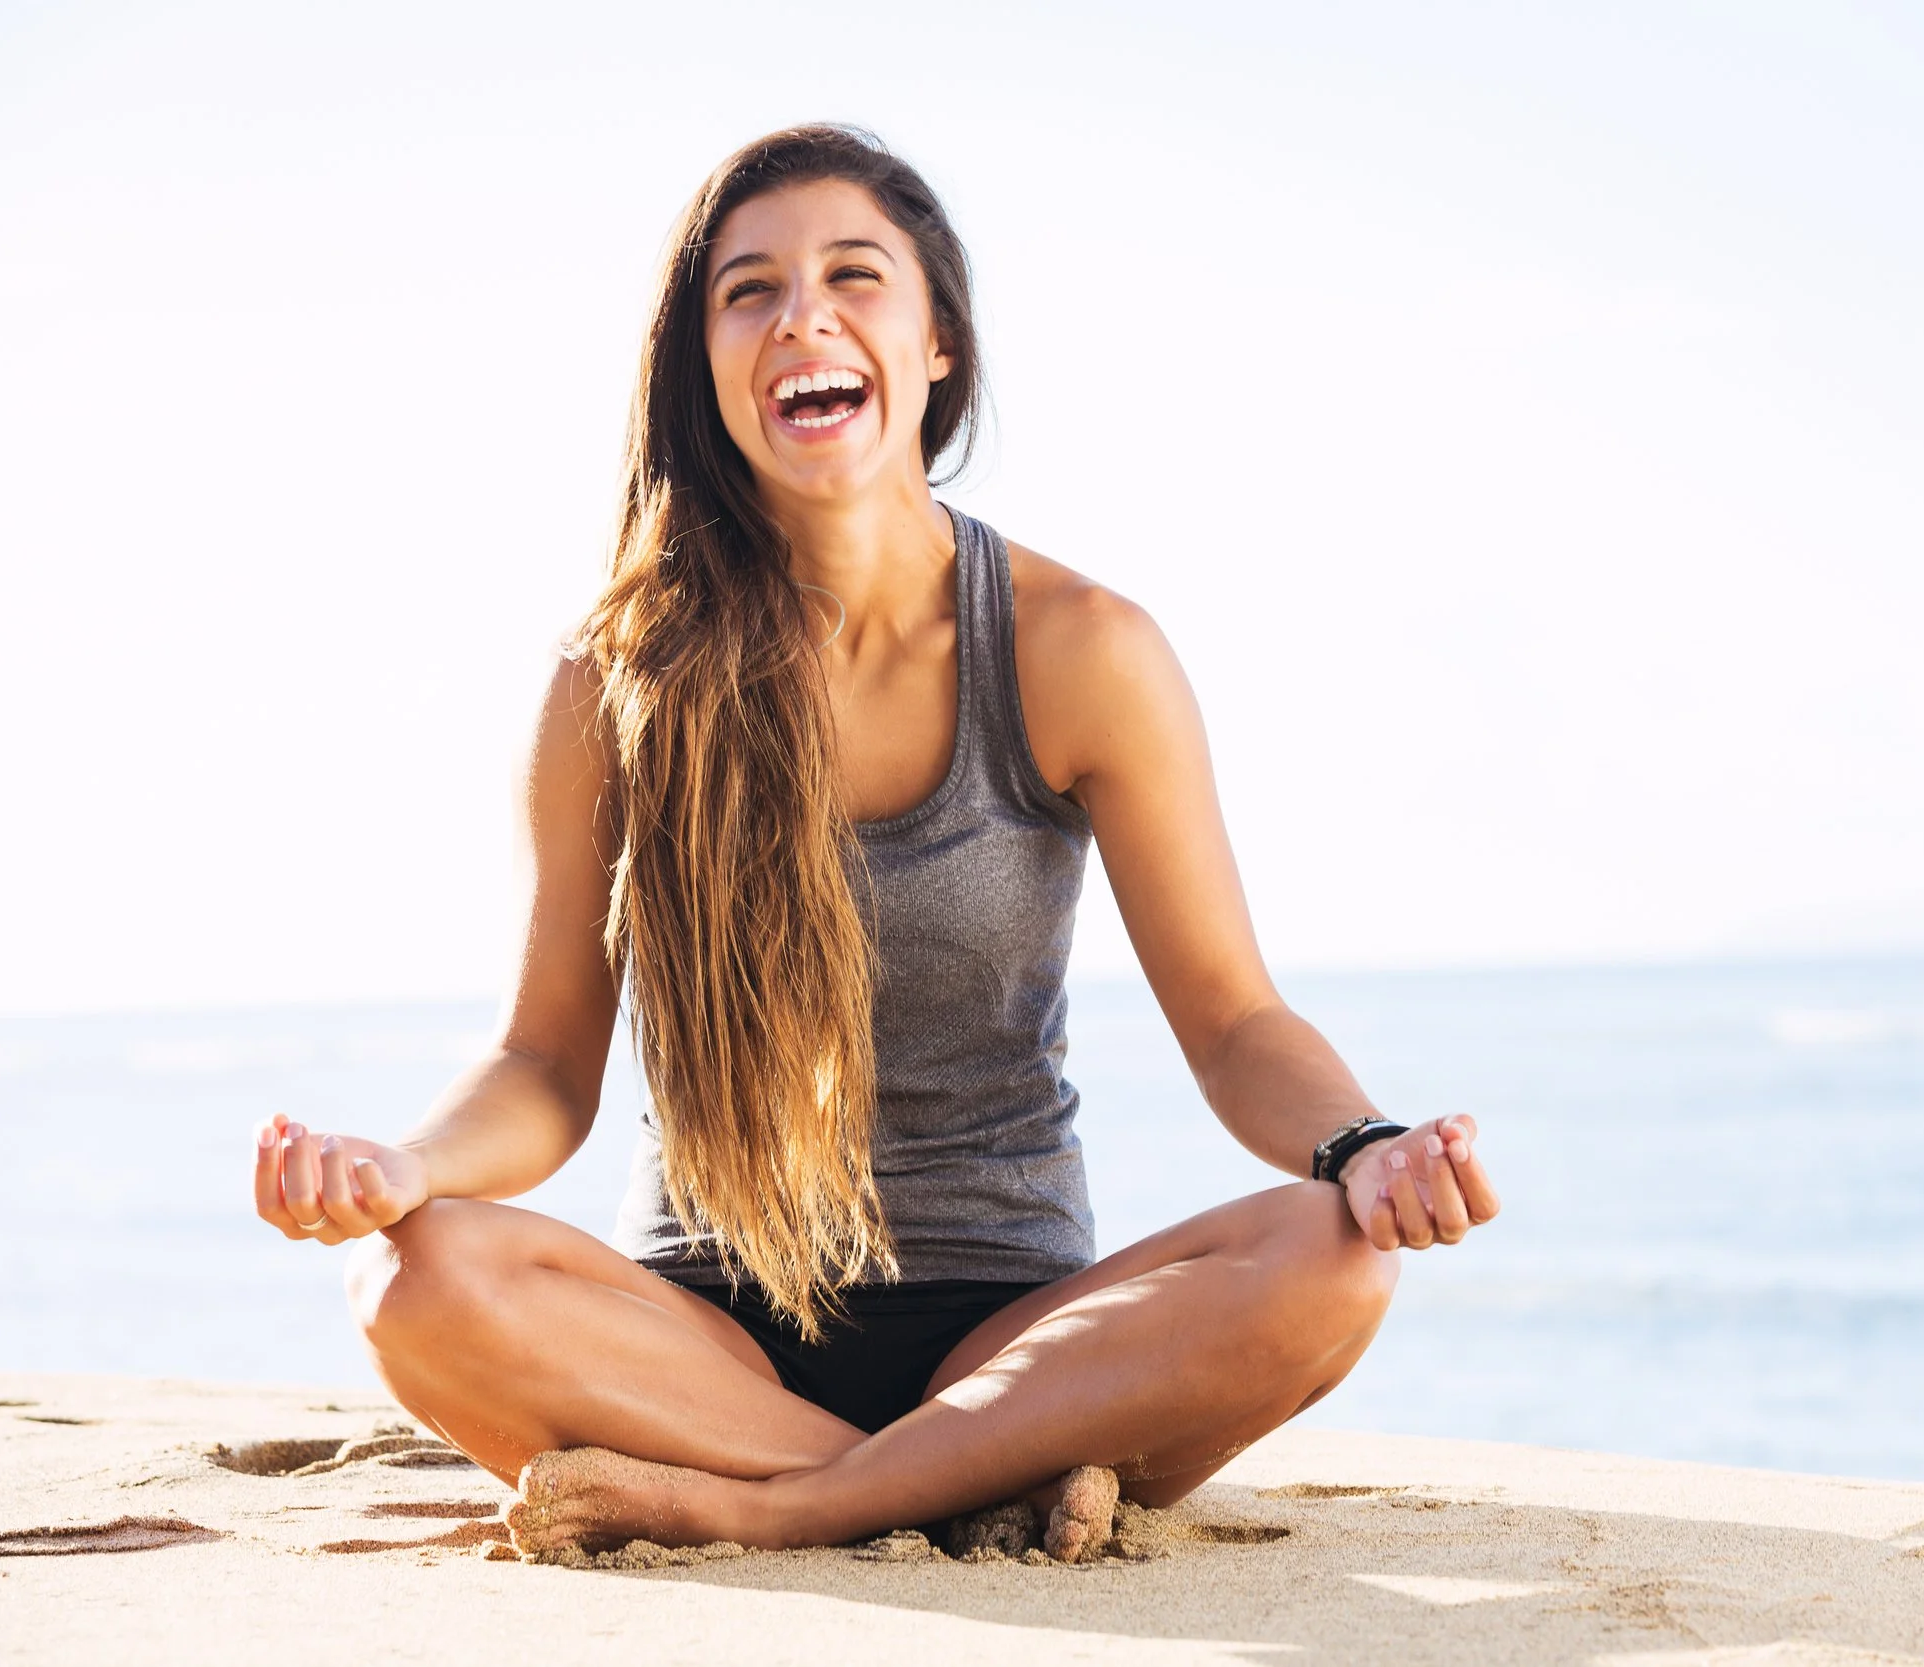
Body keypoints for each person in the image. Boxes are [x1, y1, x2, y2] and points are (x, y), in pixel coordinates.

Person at [247, 124, 1500, 1560]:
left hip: (1014, 1333)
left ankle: (773, 1507)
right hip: (699, 1348)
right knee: (413, 1281)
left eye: (855, 276)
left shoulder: (1080, 650)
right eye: (749, 290)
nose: (804, 317)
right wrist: (406, 1167)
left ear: (938, 342)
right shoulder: (614, 684)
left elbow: (1233, 1020)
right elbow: (543, 1065)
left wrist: (1365, 1145)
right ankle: (953, 1486)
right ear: (704, 363)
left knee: (1332, 1256)